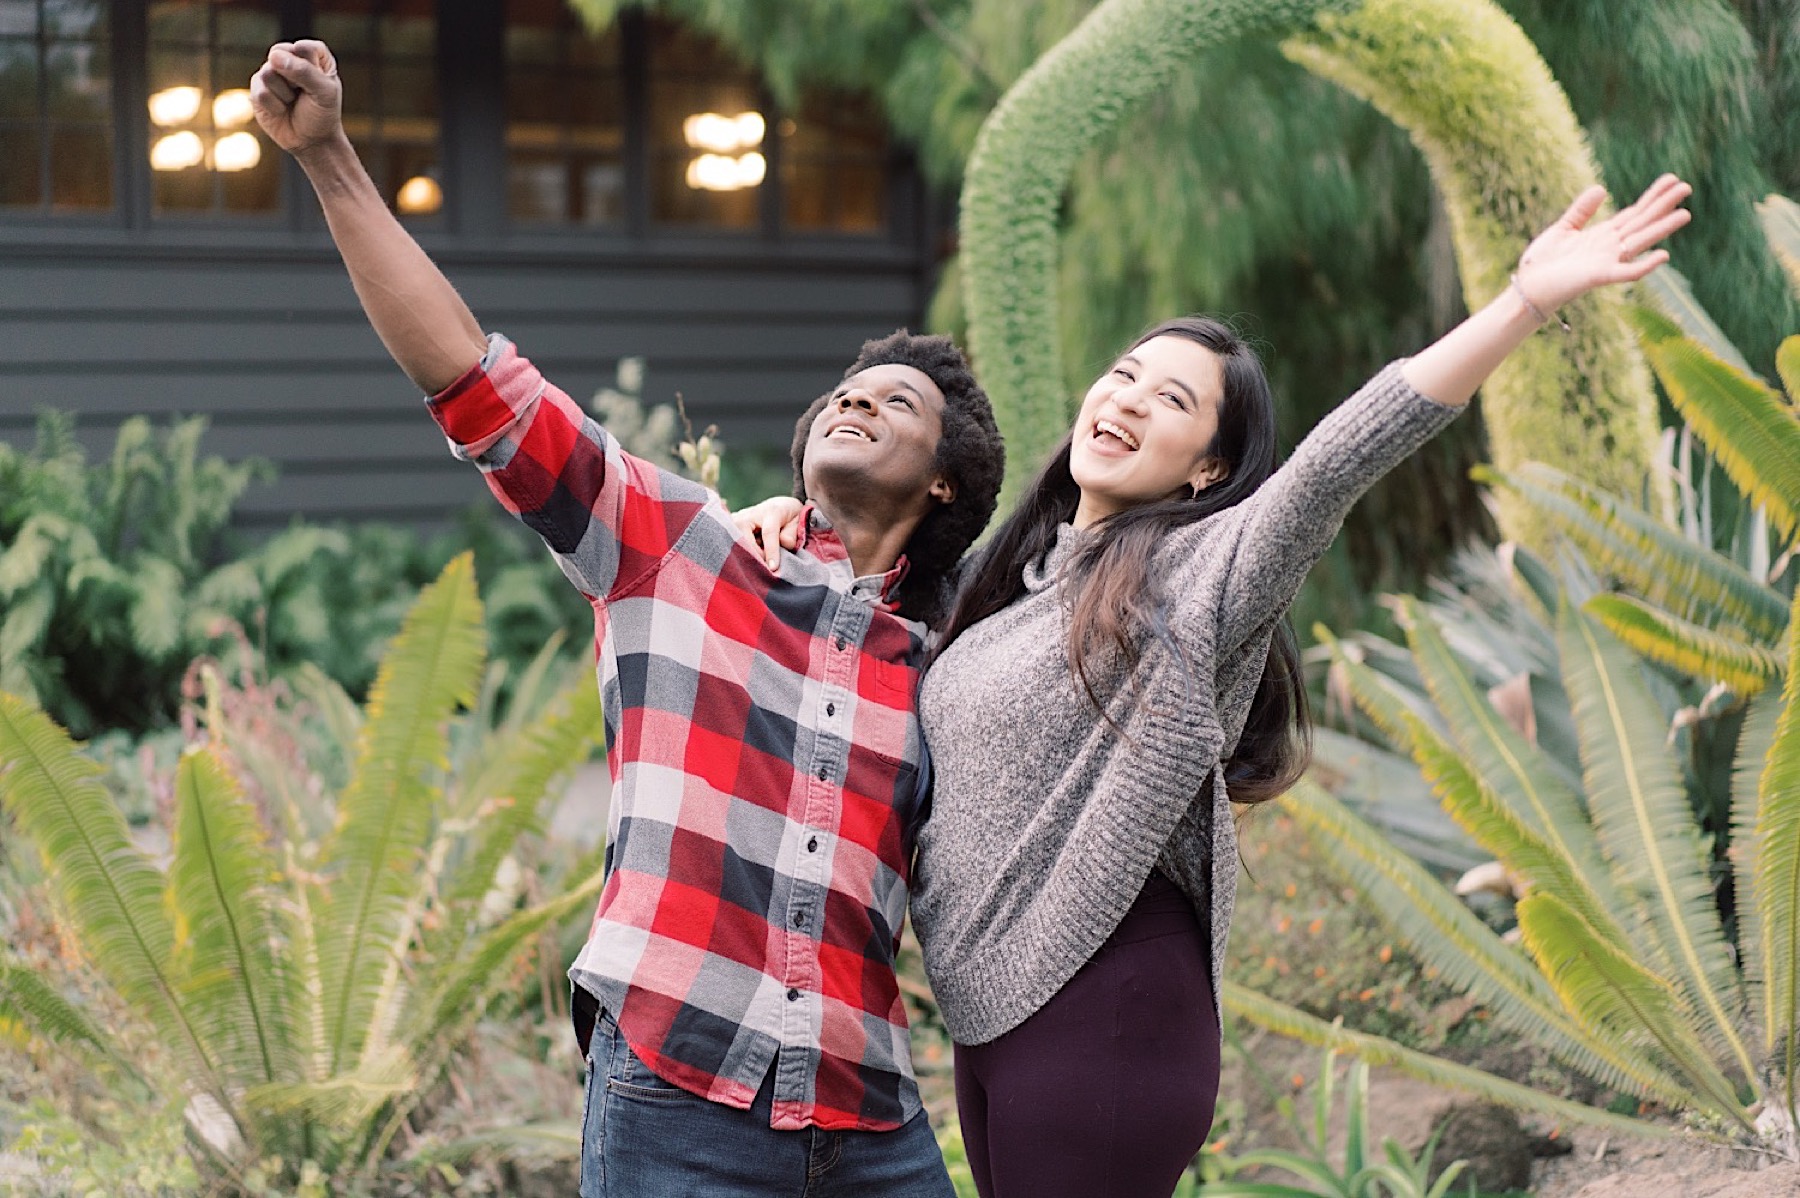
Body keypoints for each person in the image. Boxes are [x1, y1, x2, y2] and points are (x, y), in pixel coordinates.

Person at [738, 174, 1692, 1198]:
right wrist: (790, 522)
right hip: (995, 1016)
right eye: (1127, 375)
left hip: (1104, 1008)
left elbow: (1337, 461)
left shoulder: (1205, 577)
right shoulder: (1007, 584)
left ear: (1208, 466)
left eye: (1174, 400)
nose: (1129, 400)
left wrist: (1524, 303)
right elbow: (875, 632)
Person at [251, 39, 1003, 1198]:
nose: (855, 397)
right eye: (846, 391)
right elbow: (474, 384)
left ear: (944, 482)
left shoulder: (950, 666)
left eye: (896, 401)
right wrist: (334, 159)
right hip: (676, 1095)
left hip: (865, 1119)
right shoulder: (679, 546)